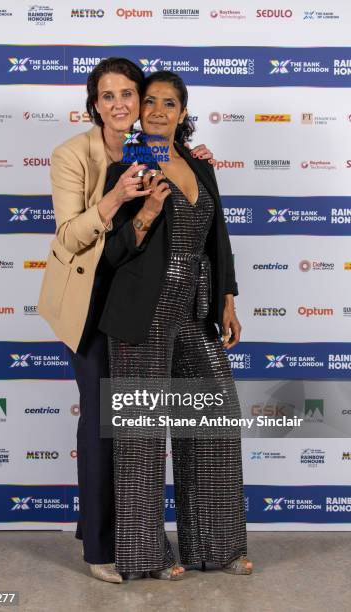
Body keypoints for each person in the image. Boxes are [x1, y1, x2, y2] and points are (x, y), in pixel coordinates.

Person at [37, 57, 216, 583]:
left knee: (137, 427)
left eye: (129, 94)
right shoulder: (72, 154)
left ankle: (139, 540)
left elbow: (186, 198)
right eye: (108, 95)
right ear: (94, 103)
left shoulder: (154, 147)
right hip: (91, 303)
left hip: (143, 306)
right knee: (102, 425)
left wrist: (194, 159)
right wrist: (113, 199)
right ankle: (99, 547)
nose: (120, 104)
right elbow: (68, 237)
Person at [98, 70, 253, 580]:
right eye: (150, 102)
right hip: (143, 312)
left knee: (212, 426)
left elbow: (219, 240)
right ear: (140, 113)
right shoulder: (130, 167)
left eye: (169, 103)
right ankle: (145, 558)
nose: (159, 110)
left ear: (183, 113)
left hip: (196, 308)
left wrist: (227, 300)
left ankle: (216, 547)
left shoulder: (201, 167)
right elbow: (112, 253)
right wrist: (146, 212)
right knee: (142, 439)